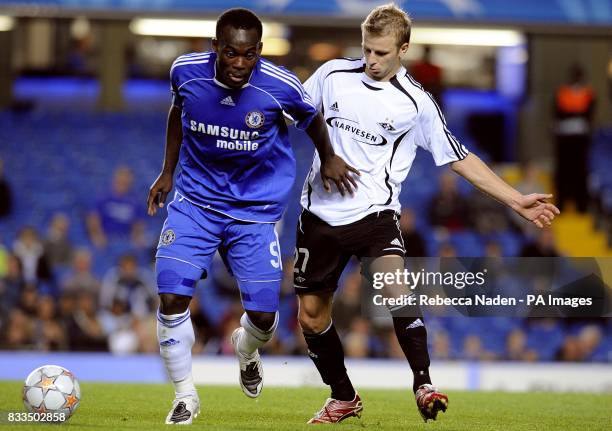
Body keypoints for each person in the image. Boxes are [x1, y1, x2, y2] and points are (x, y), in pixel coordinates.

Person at [293, 3, 560, 424]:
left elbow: (459, 157)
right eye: (366, 50)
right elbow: (292, 112)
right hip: (319, 216)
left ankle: (423, 383)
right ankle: (343, 396)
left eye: (381, 53)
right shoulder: (331, 76)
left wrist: (514, 199)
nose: (371, 61)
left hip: (374, 215)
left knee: (394, 285)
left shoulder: (416, 103)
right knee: (311, 316)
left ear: (404, 48)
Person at [145, 8, 356, 425]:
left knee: (264, 318)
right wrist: (168, 170)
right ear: (214, 49)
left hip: (255, 213)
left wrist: (329, 156)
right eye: (230, 54)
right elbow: (177, 112)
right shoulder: (185, 72)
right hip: (196, 204)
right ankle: (185, 396)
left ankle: (246, 348)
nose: (239, 64)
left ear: (259, 51)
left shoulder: (281, 86)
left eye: (248, 54)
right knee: (171, 297)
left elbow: (313, 121)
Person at [553, 64, 596, 213]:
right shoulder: (562, 92)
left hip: (580, 138)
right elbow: (558, 112)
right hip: (564, 138)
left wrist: (573, 113)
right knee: (563, 172)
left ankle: (581, 206)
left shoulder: (588, 93)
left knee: (580, 172)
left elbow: (589, 114)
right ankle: (561, 205)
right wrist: (575, 113)